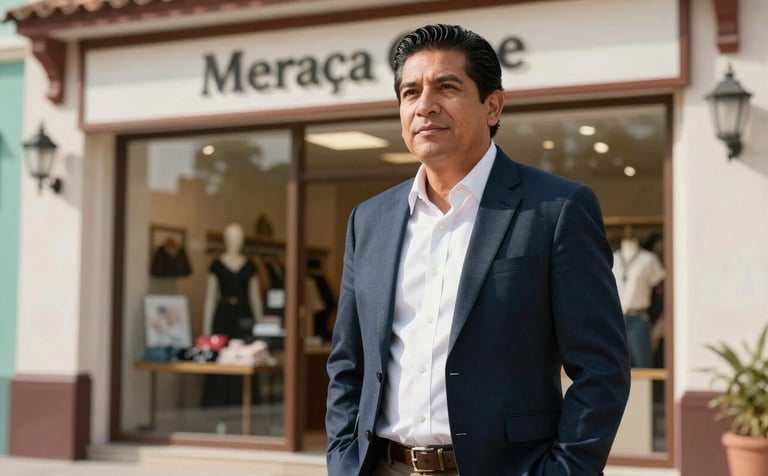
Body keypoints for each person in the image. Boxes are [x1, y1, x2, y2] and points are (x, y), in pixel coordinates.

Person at [325, 24, 631, 475]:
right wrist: (342, 457)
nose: (425, 105)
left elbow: (601, 370)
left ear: (493, 106)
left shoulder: (556, 209)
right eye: (410, 93)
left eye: (446, 87)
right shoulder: (368, 220)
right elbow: (348, 363)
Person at [612, 226, 665, 368]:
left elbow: (661, 291)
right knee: (616, 366)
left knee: (643, 365)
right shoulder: (613, 259)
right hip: (616, 319)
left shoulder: (648, 259)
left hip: (638, 318)